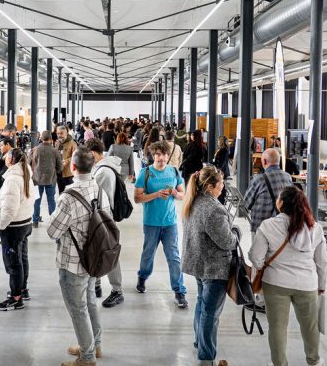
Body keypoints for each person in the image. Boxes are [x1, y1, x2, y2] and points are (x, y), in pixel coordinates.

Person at [249, 186, 327, 366]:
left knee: (277, 328)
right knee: (310, 326)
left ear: (281, 203)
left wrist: (264, 268)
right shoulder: (315, 229)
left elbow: (256, 257)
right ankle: (314, 360)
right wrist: (321, 286)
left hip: (275, 283)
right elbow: (322, 262)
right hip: (307, 284)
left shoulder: (268, 226)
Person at [47, 147, 110, 366]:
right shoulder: (99, 190)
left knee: (78, 309)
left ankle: (87, 357)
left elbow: (52, 231)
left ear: (72, 167)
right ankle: (94, 345)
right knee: (90, 301)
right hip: (94, 259)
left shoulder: (68, 196)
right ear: (92, 166)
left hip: (73, 262)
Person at [181, 166, 238, 366]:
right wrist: (236, 234)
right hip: (214, 268)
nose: (223, 187)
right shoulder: (213, 209)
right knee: (210, 313)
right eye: (221, 183)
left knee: (202, 305)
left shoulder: (193, 201)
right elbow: (227, 242)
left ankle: (200, 342)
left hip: (199, 264)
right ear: (210, 186)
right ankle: (206, 357)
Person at [134, 141, 188, 308]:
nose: (162, 158)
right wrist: (156, 194)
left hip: (170, 222)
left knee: (174, 257)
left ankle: (179, 291)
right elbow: (137, 198)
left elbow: (183, 194)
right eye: (158, 154)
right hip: (151, 222)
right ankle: (142, 277)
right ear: (153, 155)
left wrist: (175, 194)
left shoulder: (174, 171)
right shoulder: (145, 173)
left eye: (164, 154)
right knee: (148, 255)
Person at [86, 138, 125, 308]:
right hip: (103, 217)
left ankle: (117, 291)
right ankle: (96, 285)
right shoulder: (105, 167)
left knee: (109, 253)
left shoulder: (103, 172)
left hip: (104, 218)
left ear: (93, 153)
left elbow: (93, 195)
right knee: (98, 251)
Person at [0, 148, 33, 311]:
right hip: (25, 223)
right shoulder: (25, 173)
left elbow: (10, 209)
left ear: (11, 160)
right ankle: (22, 289)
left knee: (13, 263)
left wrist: (1, 225)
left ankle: (16, 298)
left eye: (6, 156)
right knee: (22, 258)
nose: (4, 158)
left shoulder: (12, 179)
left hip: (14, 227)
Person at [243, 148, 293, 236]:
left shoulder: (259, 179)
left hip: (261, 226)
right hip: (282, 226)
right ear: (278, 161)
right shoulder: (288, 177)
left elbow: (247, 203)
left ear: (264, 161)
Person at [30, 130, 63, 227]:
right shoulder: (55, 151)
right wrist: (55, 171)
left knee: (37, 200)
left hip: (37, 179)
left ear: (41, 139)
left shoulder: (35, 150)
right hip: (51, 179)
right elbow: (60, 167)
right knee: (51, 200)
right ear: (51, 139)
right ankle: (52, 220)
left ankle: (35, 220)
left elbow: (28, 163)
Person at [56, 125, 79, 194]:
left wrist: (67, 161)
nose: (59, 135)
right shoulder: (57, 143)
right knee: (61, 192)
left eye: (61, 133)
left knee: (69, 193)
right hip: (59, 172)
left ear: (66, 133)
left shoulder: (72, 143)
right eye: (58, 133)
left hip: (68, 173)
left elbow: (76, 156)